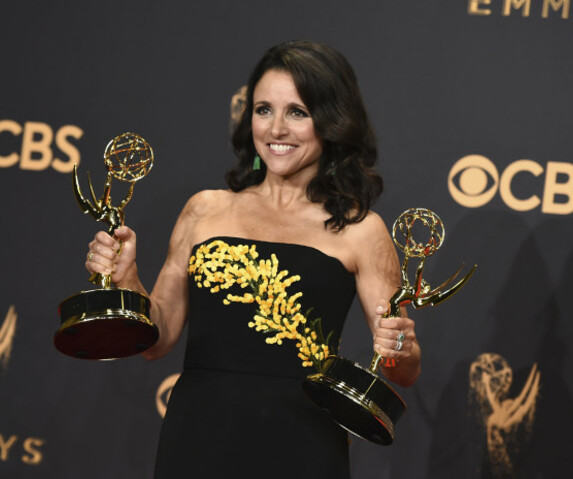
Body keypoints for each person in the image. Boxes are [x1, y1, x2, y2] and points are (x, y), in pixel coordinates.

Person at [86, 40, 421, 478]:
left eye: (297, 112)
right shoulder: (205, 209)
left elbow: (404, 370)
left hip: (301, 445)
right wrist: (128, 279)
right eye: (264, 110)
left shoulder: (361, 229)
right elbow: (159, 339)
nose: (276, 129)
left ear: (332, 120)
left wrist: (401, 345)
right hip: (198, 435)